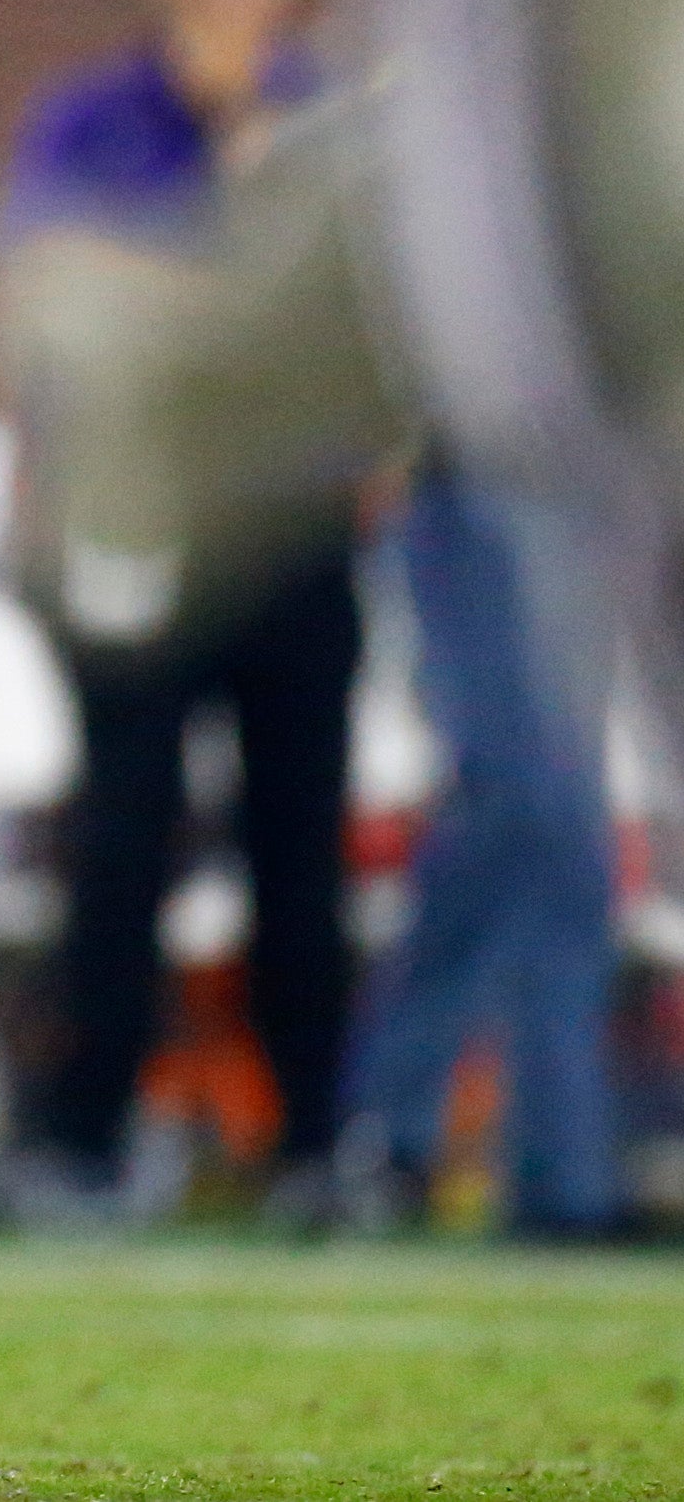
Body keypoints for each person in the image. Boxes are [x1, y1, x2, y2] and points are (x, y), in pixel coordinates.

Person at [1, 0, 360, 1224]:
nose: (236, 1)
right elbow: (59, 283)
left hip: (287, 517)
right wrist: (230, 245)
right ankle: (82, 1136)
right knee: (123, 833)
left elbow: (362, 325)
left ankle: (309, 1139)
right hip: (142, 513)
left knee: (297, 841)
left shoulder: (325, 128)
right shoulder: (96, 121)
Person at [340, 465, 626, 1239]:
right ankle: (406, 1136)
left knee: (557, 836)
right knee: (521, 806)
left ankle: (556, 1172)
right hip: (474, 482)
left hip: (584, 490)